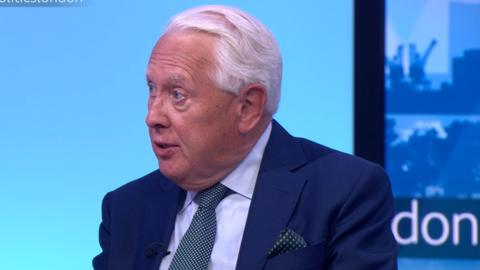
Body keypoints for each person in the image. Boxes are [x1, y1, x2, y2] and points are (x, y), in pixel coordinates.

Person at [93, 5, 397, 270]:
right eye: (152, 90)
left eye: (178, 94)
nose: (153, 117)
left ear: (248, 107)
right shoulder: (126, 208)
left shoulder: (345, 191)